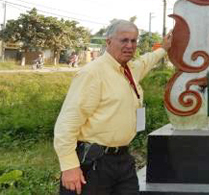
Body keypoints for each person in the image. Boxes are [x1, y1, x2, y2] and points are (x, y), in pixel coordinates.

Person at [54, 20, 173, 194]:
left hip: (123, 160)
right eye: (124, 40)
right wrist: (69, 166)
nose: (129, 46)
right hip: (94, 163)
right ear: (108, 42)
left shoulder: (129, 69)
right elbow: (66, 124)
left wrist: (163, 48)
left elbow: (146, 61)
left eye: (133, 41)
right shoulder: (93, 73)